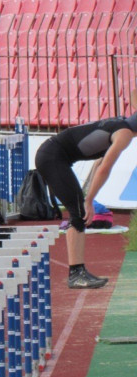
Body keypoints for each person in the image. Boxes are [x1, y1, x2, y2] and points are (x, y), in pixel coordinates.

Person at [35, 88, 137, 289]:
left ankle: (78, 272)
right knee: (79, 213)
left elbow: (98, 164)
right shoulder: (124, 134)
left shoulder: (120, 125)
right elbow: (105, 169)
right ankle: (76, 274)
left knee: (78, 210)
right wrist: (89, 200)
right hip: (52, 157)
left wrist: (87, 195)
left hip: (53, 155)